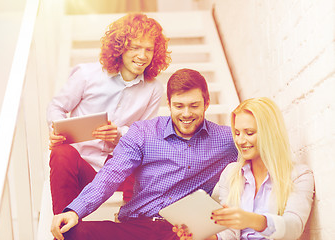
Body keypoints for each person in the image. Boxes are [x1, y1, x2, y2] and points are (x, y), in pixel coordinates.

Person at [50, 68, 238, 240]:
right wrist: (74, 211)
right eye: (179, 106)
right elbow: (110, 175)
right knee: (72, 234)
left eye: (194, 105)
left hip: (182, 232)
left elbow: (260, 149)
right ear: (169, 104)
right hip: (136, 225)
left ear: (207, 103)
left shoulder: (228, 140)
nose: (186, 114)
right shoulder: (143, 132)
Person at [47, 13, 171, 214]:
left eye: (149, 49)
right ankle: (64, 228)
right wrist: (57, 129)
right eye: (135, 47)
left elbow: (145, 136)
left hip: (117, 170)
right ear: (120, 48)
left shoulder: (154, 89)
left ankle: (133, 223)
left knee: (149, 156)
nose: (143, 56)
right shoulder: (87, 75)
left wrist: (119, 135)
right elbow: (56, 107)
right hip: (81, 164)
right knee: (60, 153)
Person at [175, 97, 315, 240]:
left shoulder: (299, 175)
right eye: (237, 133)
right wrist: (205, 237)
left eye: (249, 133)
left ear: (270, 133)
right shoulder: (231, 174)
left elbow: (293, 228)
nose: (240, 141)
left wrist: (251, 220)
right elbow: (230, 233)